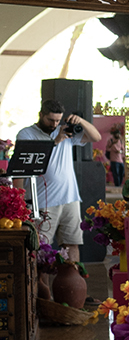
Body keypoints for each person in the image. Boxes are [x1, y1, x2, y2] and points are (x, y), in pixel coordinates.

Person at [16, 100, 102, 263]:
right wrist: (56, 141)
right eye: (50, 120)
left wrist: (80, 121)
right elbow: (27, 162)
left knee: (72, 244)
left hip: (70, 198)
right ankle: (43, 288)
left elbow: (96, 136)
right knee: (40, 249)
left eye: (58, 120)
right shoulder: (26, 134)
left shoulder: (66, 132)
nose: (54, 124)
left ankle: (72, 281)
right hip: (42, 200)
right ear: (41, 115)